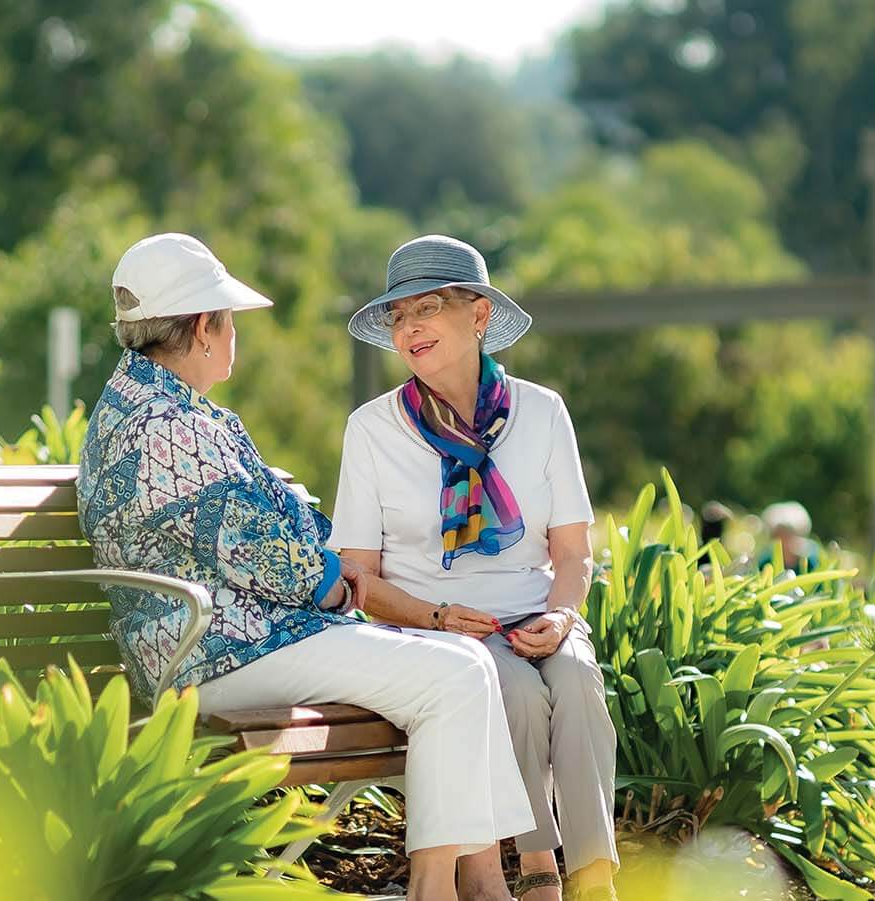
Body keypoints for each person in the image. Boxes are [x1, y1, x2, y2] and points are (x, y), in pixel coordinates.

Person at [77, 233, 535, 901]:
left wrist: (320, 558)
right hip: (216, 652)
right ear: (205, 328)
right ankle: (446, 891)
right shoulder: (169, 426)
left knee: (462, 666)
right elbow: (276, 555)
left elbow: (276, 525)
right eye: (229, 321)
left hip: (229, 640)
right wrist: (333, 579)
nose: (235, 335)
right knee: (454, 674)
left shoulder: (152, 408)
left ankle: (473, 885)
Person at [332, 235, 619, 901]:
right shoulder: (372, 430)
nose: (410, 328)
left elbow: (573, 554)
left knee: (575, 675)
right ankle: (542, 873)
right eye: (399, 317)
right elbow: (357, 576)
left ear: (479, 316)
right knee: (512, 689)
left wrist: (562, 615)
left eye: (426, 308)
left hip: (538, 613)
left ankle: (596, 879)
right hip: (436, 628)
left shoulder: (543, 412)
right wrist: (435, 616)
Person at [753, 501, 821, 574]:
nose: (782, 539)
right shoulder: (766, 561)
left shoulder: (811, 559)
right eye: (778, 534)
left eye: (787, 533)